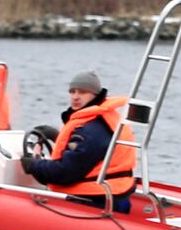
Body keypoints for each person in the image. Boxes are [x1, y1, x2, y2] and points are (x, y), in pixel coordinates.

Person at [20, 71, 136, 213]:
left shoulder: (90, 130)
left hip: (96, 201)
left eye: (82, 92)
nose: (75, 97)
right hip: (115, 194)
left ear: (95, 94)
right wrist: (56, 136)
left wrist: (33, 165)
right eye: (72, 92)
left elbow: (65, 173)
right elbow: (86, 154)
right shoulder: (105, 119)